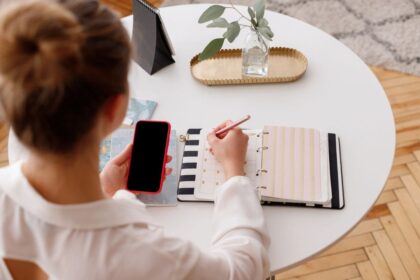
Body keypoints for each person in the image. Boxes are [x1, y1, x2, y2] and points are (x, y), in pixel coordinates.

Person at [0, 0, 270, 279]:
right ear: (115, 107)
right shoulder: (141, 253)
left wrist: (109, 193)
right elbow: (242, 270)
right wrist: (234, 172)